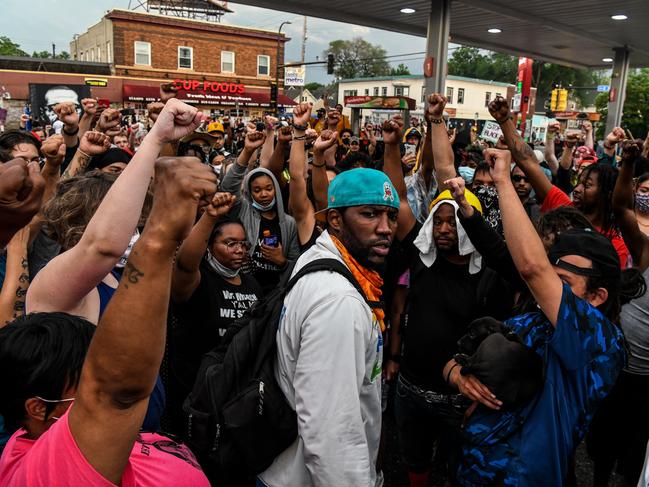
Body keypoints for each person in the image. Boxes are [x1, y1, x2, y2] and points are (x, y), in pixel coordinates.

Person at [0, 155, 217, 486]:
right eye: (126, 216)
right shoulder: (52, 464)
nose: (133, 226)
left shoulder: (117, 277)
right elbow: (116, 392)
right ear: (38, 409)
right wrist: (161, 231)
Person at [447, 147, 640, 487]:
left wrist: (504, 180)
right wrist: (459, 376)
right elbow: (451, 360)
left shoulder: (600, 343)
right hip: (472, 471)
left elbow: (532, 268)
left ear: (597, 297)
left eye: (561, 283)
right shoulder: (532, 319)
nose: (546, 289)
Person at [382, 102, 516, 486]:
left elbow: (498, 337)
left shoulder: (489, 276)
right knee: (414, 460)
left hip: (461, 397)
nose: (442, 229)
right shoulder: (423, 260)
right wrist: (393, 147)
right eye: (437, 220)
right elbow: (401, 200)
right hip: (411, 387)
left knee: (460, 467)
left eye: (452, 221)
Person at [259, 167, 399, 486]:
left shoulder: (328, 265)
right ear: (335, 219)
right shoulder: (338, 302)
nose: (385, 228)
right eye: (370, 214)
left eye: (390, 216)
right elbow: (331, 433)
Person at [487, 96, 630, 267]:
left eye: (587, 185)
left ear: (607, 194)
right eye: (579, 182)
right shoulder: (564, 208)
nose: (577, 189)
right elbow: (528, 162)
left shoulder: (616, 246)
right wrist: (504, 120)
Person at [167, 195, 262, 434]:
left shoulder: (253, 285)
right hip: (195, 394)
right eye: (230, 243)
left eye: (243, 244)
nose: (239, 250)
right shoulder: (198, 281)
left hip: (236, 394)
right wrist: (209, 217)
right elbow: (186, 263)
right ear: (209, 246)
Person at [220, 131, 300, 295]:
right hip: (245, 290)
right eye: (257, 190)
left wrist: (281, 261)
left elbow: (296, 264)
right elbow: (228, 187)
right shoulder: (244, 211)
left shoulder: (289, 223)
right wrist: (247, 151)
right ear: (249, 193)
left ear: (276, 190)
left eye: (268, 189)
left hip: (277, 293)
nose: (264, 194)